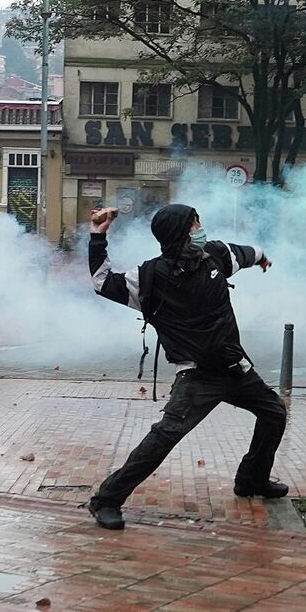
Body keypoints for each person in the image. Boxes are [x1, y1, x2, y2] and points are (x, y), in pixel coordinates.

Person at [84, 203, 288, 531]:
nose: (201, 229)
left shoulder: (215, 255)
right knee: (166, 435)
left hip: (236, 368)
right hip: (197, 376)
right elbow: (102, 282)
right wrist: (98, 235)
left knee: (274, 413)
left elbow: (246, 253)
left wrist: (262, 256)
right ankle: (106, 500)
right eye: (195, 225)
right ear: (181, 232)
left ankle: (252, 480)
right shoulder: (149, 277)